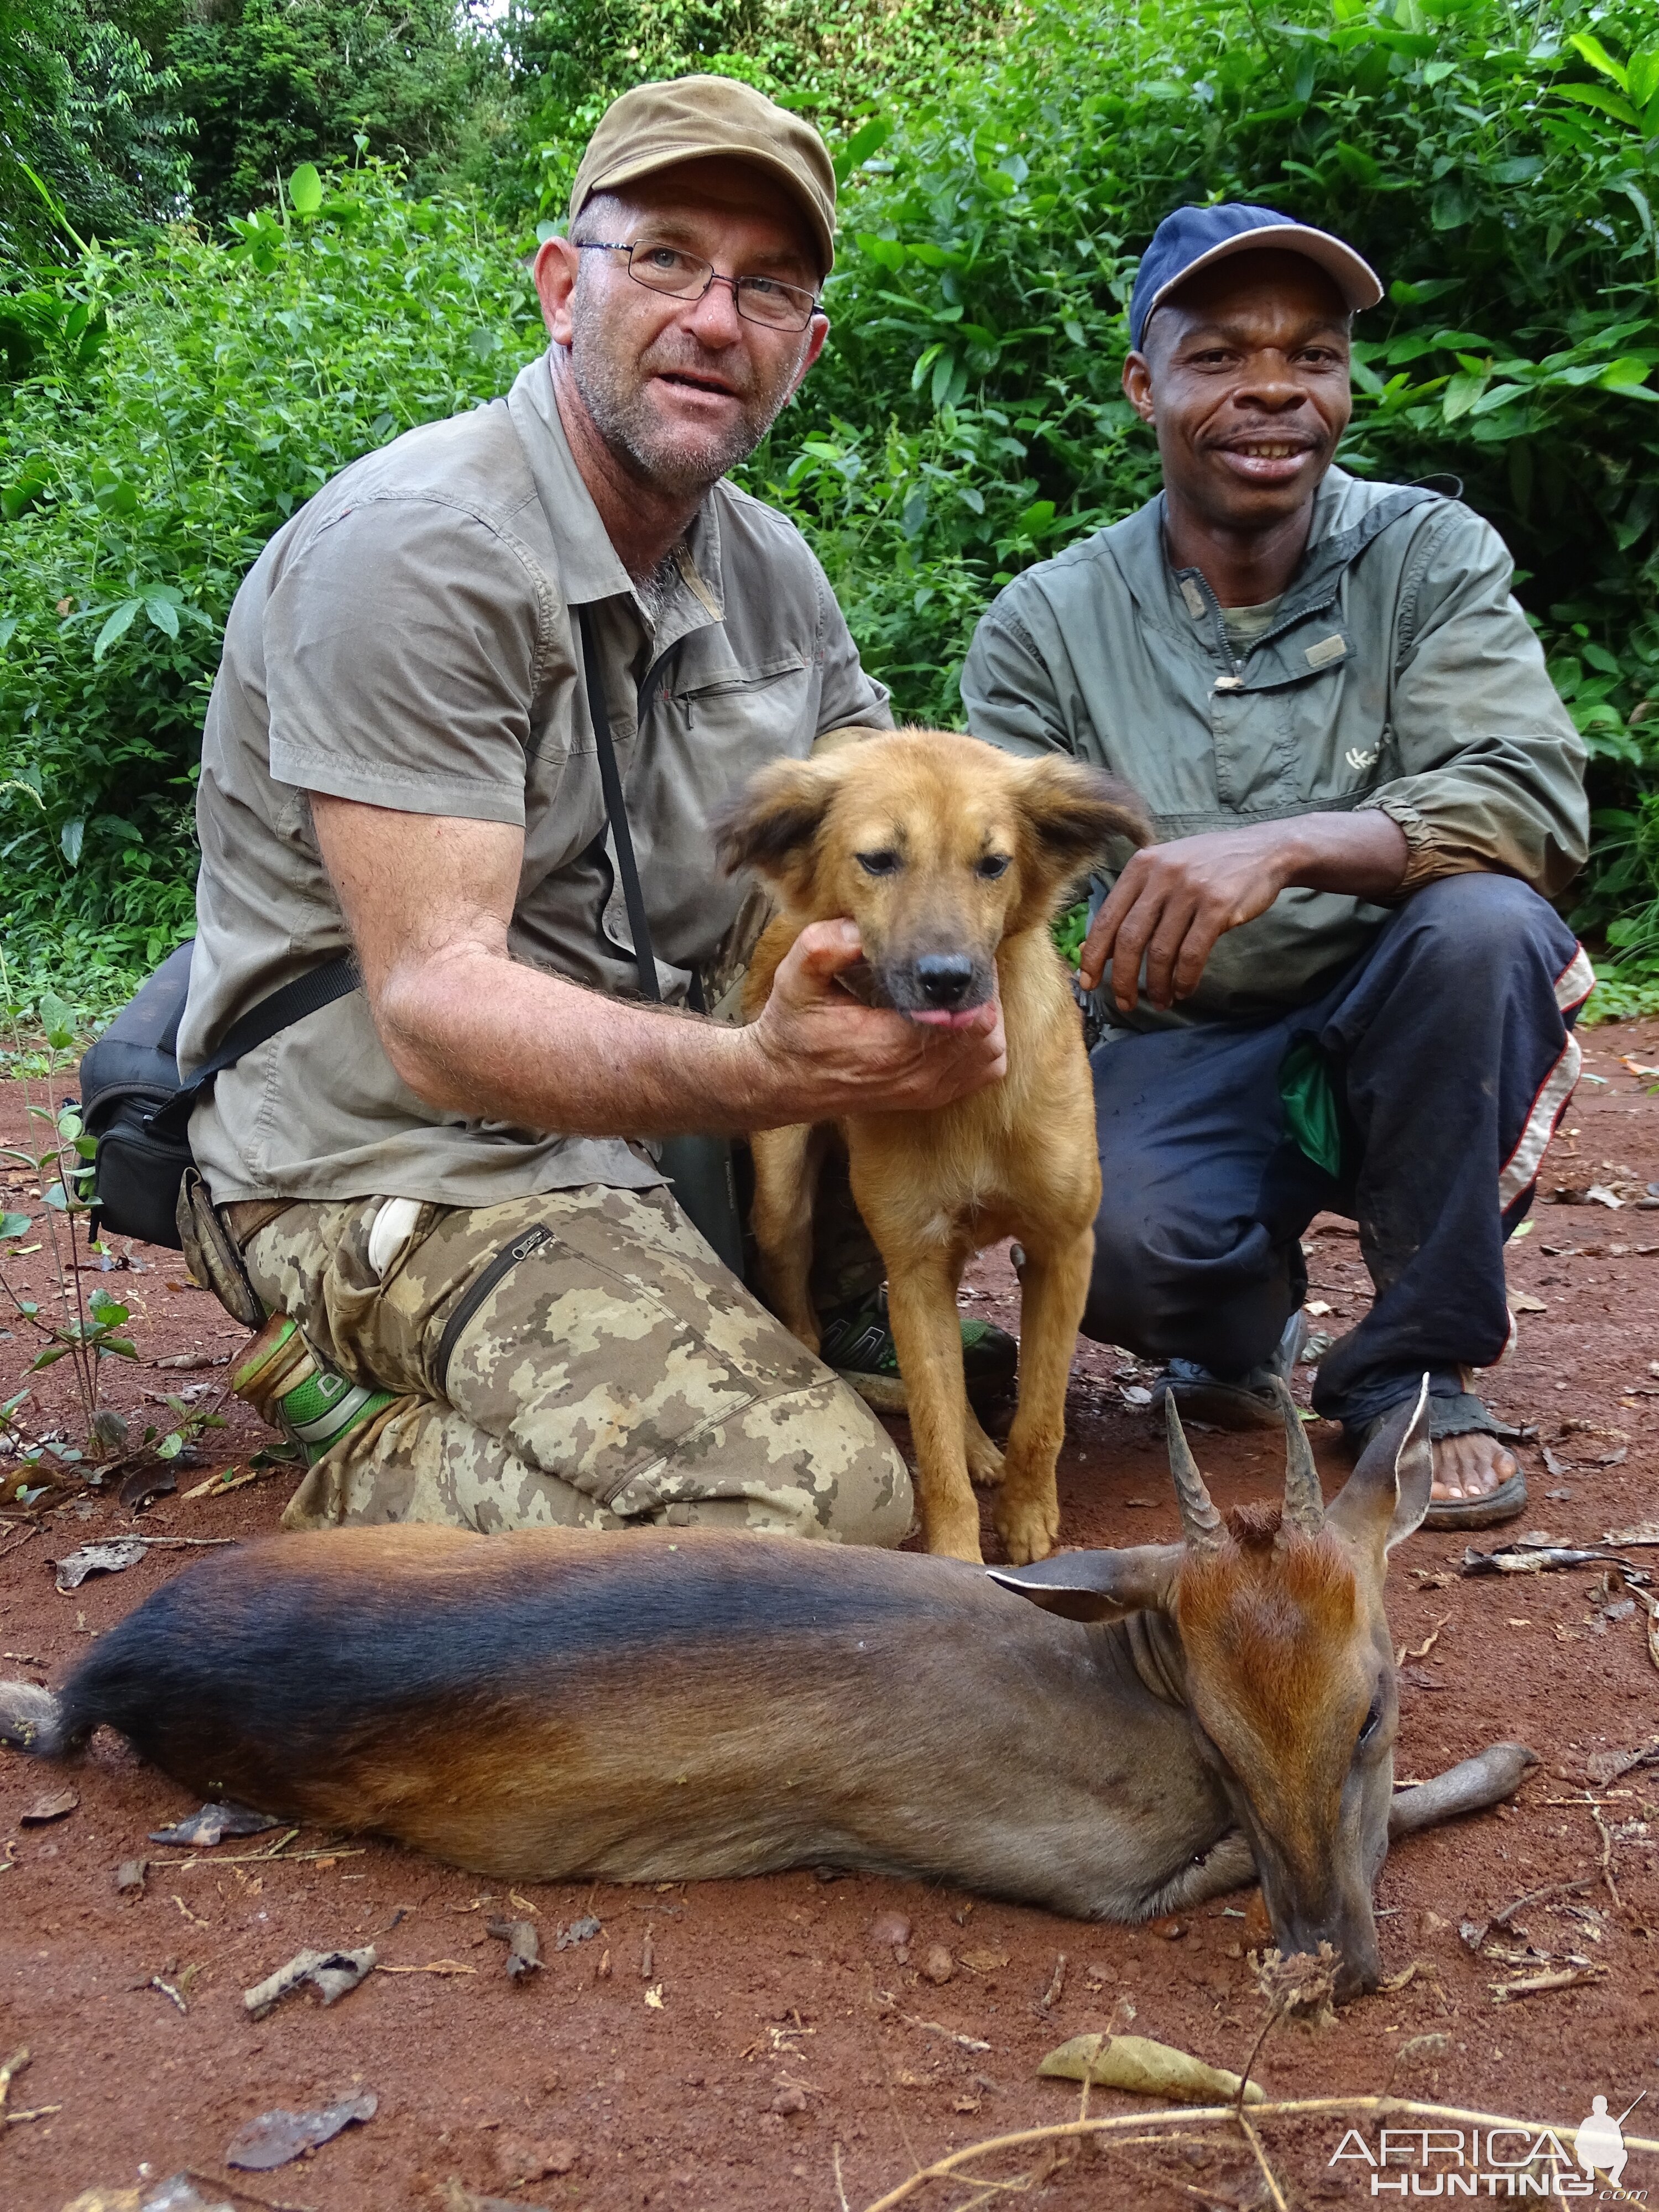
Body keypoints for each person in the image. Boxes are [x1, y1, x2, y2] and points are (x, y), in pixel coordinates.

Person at [178, 77, 1015, 1543]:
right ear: (566, 287)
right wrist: (775, 1076)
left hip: (639, 1111)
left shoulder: (770, 570)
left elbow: (906, 857)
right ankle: (366, 1442)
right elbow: (439, 1015)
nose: (714, 317)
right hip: (395, 1147)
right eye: (668, 258)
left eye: (768, 287)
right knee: (812, 1514)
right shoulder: (417, 551)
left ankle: (733, 1312)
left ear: (805, 352)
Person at [962, 202, 1592, 1529]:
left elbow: (1533, 797)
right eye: (1218, 357)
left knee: (1488, 928)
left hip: (1404, 1014)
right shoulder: (1048, 625)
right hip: (1185, 1039)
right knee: (1115, 1232)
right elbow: (998, 894)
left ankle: (1416, 1370)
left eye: (1312, 354)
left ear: (1346, 383)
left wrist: (1292, 842)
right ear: (1145, 385)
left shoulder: (1428, 555)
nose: (1271, 390)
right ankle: (1242, 1321)